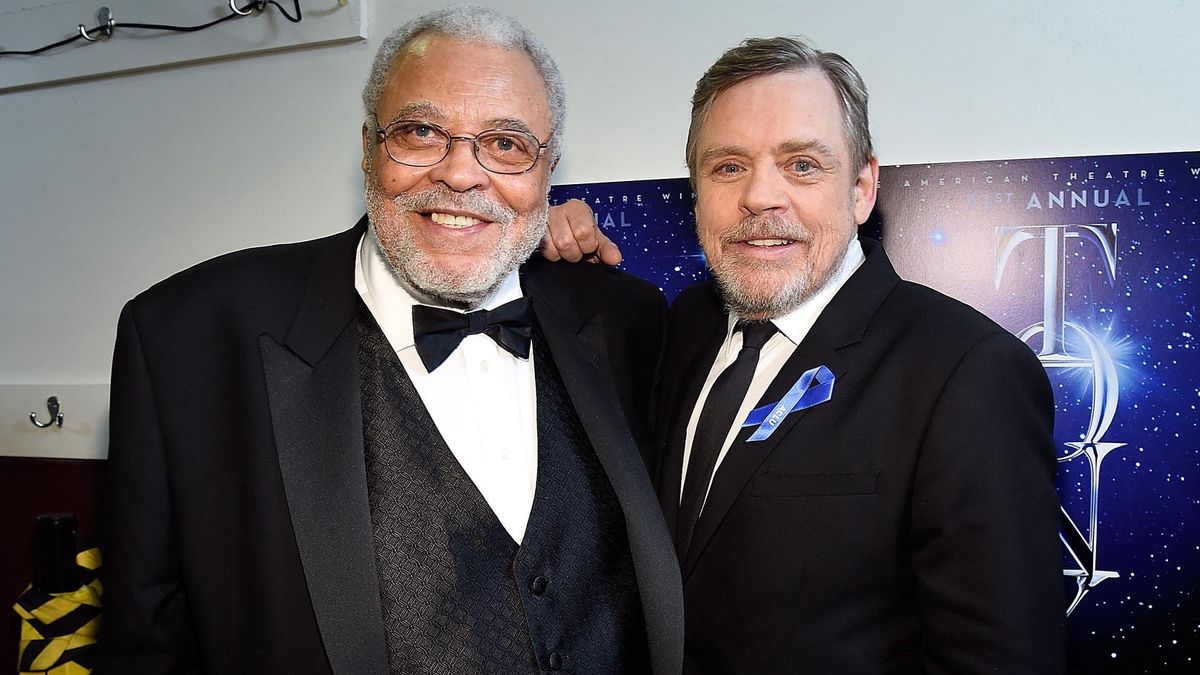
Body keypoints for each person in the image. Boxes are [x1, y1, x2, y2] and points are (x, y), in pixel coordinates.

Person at [96, 7, 682, 674]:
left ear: (546, 171)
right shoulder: (188, 339)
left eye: (506, 143)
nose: (461, 174)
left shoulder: (629, 319)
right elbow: (143, 647)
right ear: (368, 145)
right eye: (421, 131)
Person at [650, 37, 1067, 672]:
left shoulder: (967, 372)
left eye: (802, 165)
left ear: (862, 186)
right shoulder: (679, 329)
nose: (760, 197)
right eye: (728, 167)